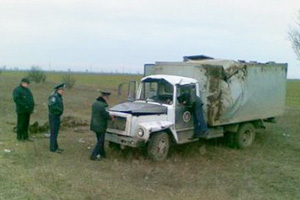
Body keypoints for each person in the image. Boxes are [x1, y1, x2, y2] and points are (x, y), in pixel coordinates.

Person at [90, 91, 112, 161]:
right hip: (101, 125)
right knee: (100, 141)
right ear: (104, 97)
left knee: (100, 139)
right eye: (107, 97)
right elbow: (105, 115)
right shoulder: (103, 105)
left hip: (94, 124)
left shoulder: (95, 103)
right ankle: (94, 155)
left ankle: (102, 153)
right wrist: (111, 117)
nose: (108, 98)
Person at [48, 83, 65, 153]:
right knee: (53, 132)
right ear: (57, 90)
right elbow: (51, 107)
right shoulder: (54, 97)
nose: (62, 91)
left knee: (56, 132)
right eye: (61, 90)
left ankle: (56, 146)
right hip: (53, 116)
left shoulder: (59, 96)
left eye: (63, 90)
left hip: (57, 116)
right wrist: (59, 111)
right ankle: (53, 148)